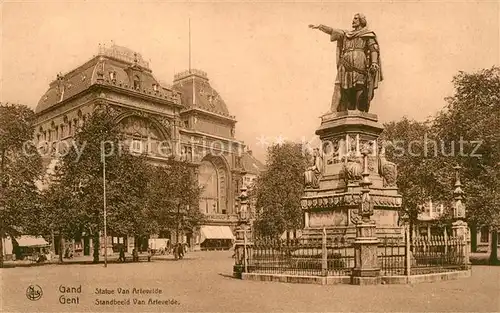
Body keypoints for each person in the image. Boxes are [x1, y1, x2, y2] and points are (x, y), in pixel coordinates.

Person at [309, 13, 382, 113]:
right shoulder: (346, 34)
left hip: (360, 61)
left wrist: (374, 62)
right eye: (353, 18)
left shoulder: (367, 34)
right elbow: (333, 31)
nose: (353, 20)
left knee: (359, 85)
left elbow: (373, 49)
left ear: (361, 21)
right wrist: (320, 27)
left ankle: (357, 109)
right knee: (339, 84)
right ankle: (332, 110)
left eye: (356, 19)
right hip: (345, 62)